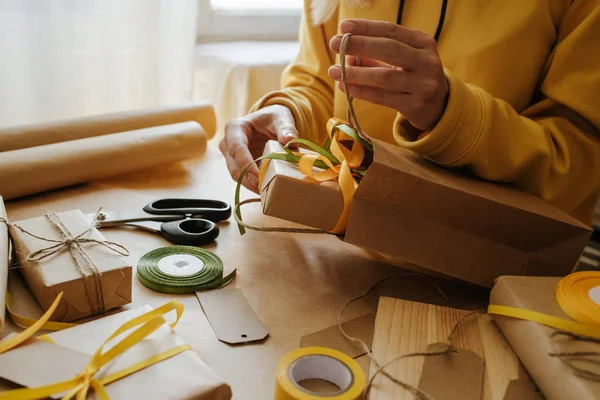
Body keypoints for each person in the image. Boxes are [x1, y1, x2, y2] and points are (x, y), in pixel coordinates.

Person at [220, 0, 600, 226]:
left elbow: (577, 166)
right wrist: (286, 114)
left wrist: (451, 116)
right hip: (340, 249)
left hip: (488, 280)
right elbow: (320, 82)